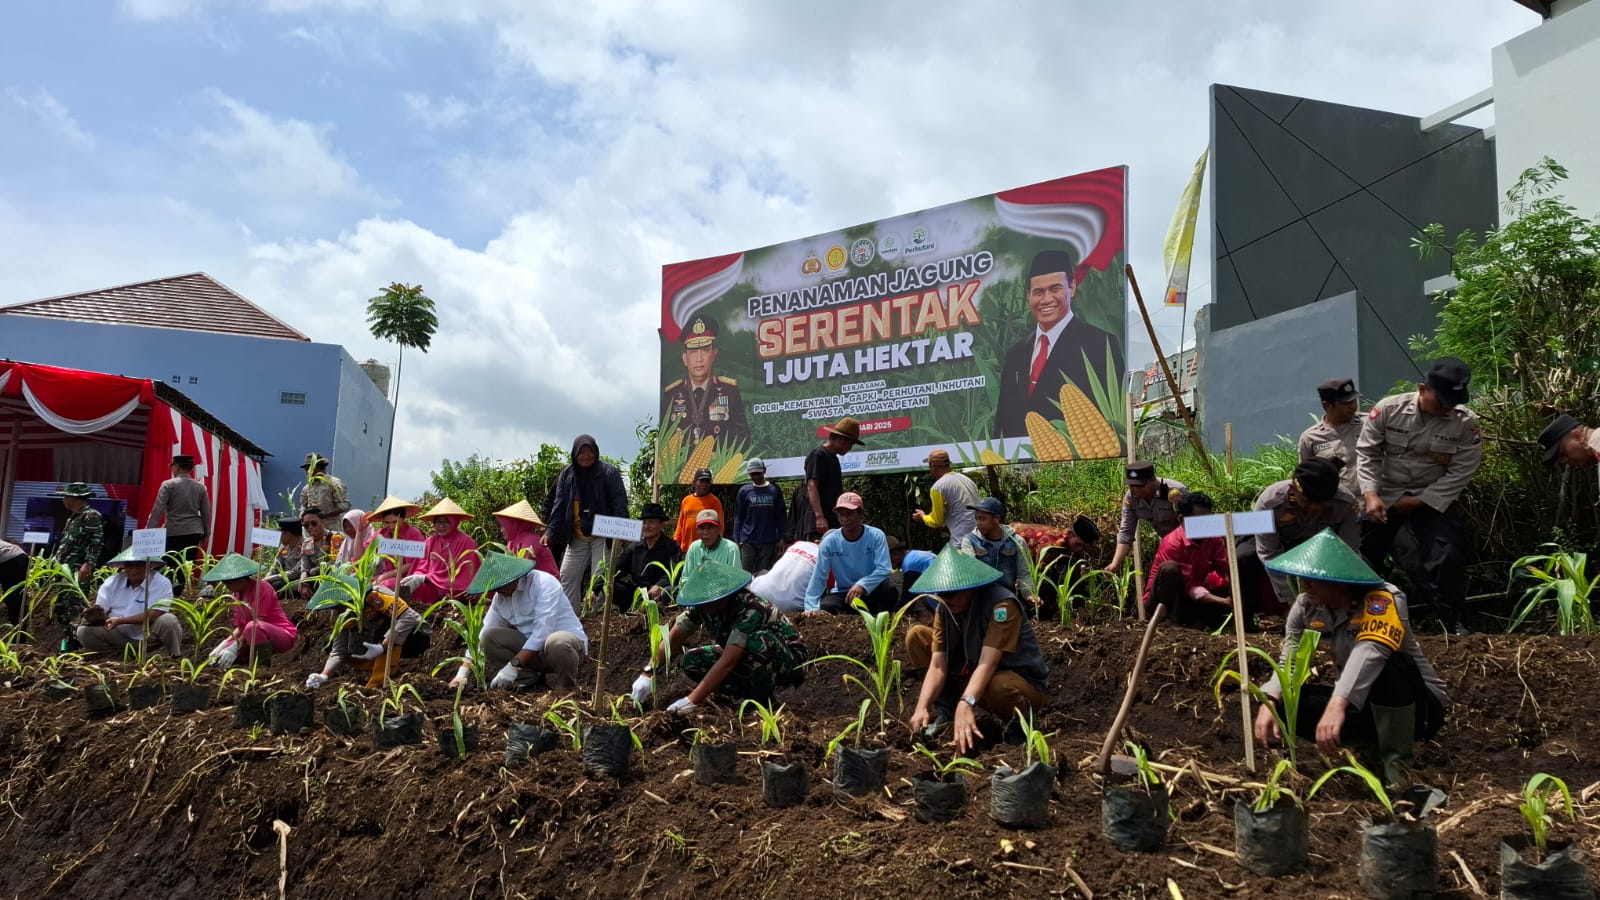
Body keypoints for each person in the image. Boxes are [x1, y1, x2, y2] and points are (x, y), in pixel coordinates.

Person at [1254, 529, 1450, 785]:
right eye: (1302, 578)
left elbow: (1372, 649)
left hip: (1417, 708)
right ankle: (1368, 750)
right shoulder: (1305, 607)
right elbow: (1290, 660)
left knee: (1390, 667)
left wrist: (1338, 702)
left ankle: (1399, 770)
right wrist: (1270, 699)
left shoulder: (1384, 599)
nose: (1305, 585)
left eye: (1313, 578)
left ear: (1341, 579)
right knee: (1289, 702)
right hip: (1362, 704)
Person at [1356, 358, 1482, 635]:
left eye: (1453, 400)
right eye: (1442, 400)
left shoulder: (1466, 423)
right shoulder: (1389, 409)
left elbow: (1462, 470)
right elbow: (1368, 453)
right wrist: (1371, 494)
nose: (1447, 406)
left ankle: (1447, 624)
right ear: (1422, 388)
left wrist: (1421, 501)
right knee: (1363, 553)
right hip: (1385, 495)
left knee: (1446, 556)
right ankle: (1359, 617)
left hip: (1432, 497)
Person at [905, 548, 1050, 754]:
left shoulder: (1002, 605)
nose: (945, 598)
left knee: (999, 685)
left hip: (1019, 685)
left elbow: (987, 662)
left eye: (951, 593)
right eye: (940, 594)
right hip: (974, 676)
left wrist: (967, 702)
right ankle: (947, 712)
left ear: (969, 586)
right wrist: (922, 706)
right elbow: (938, 665)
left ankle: (1019, 728)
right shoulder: (945, 609)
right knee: (917, 636)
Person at [631, 559, 806, 711]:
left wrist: (691, 701)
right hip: (746, 656)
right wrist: (648, 673)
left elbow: (728, 661)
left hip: (788, 660)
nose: (706, 606)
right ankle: (745, 695)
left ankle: (761, 703)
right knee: (692, 660)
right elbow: (675, 637)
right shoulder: (703, 606)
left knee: (759, 641)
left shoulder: (751, 608)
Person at [995, 249, 1124, 438]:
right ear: (1028, 295)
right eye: (1038, 292)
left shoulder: (1100, 344)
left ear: (1071, 288)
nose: (1046, 299)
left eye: (1055, 289)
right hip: (1020, 459)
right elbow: (1002, 424)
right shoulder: (1016, 354)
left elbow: (1113, 414)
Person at [448, 553, 587, 691]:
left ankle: (564, 687)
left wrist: (513, 665)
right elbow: (483, 632)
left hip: (566, 650)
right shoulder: (500, 598)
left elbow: (542, 631)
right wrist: (462, 673)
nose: (497, 591)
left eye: (500, 585)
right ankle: (527, 679)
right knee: (489, 637)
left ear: (514, 577)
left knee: (557, 642)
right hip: (533, 654)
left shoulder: (543, 583)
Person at [1241, 459, 1360, 614]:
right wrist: (1291, 600)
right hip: (1282, 545)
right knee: (1244, 557)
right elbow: (1269, 553)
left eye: (1323, 503)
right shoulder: (1269, 502)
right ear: (1293, 489)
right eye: (1309, 502)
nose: (1316, 508)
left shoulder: (1347, 504)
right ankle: (1248, 615)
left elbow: (1348, 552)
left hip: (1322, 549)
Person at [545, 434, 628, 614]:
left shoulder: (608, 472)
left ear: (596, 452)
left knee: (599, 579)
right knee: (567, 576)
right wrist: (550, 532)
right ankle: (570, 616)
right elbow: (559, 505)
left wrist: (621, 531)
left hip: (602, 535)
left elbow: (619, 502)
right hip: (576, 536)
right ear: (575, 454)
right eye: (581, 452)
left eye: (589, 451)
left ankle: (594, 619)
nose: (586, 456)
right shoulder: (567, 475)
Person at [305, 574, 421, 688]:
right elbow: (339, 650)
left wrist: (383, 646)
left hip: (409, 637)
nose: (340, 608)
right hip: (370, 639)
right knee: (328, 643)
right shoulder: (339, 613)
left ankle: (381, 679)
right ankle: (375, 665)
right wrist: (324, 675)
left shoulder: (375, 595)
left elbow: (410, 617)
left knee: (403, 632)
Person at [1143, 492, 1237, 630]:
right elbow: (1189, 587)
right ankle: (1171, 621)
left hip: (1193, 597)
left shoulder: (1213, 539)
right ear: (1182, 519)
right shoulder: (1172, 543)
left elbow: (1224, 568)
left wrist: (1235, 590)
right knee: (1170, 569)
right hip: (1164, 600)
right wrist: (1223, 601)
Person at [661, 314, 750, 446]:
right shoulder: (672, 394)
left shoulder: (729, 391)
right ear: (685, 358)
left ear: (714, 354)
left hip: (719, 465)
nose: (699, 359)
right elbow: (664, 438)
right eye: (693, 352)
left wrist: (722, 456)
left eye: (705, 350)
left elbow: (743, 434)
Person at [77, 547, 183, 657]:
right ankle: (113, 657)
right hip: (117, 635)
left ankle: (175, 656)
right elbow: (101, 610)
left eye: (139, 565)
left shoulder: (161, 583)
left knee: (168, 620)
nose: (134, 570)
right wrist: (92, 615)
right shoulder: (112, 583)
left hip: (148, 637)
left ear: (149, 565)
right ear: (123, 566)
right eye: (130, 565)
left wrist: (121, 620)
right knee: (84, 631)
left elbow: (154, 614)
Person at [803, 492, 896, 614]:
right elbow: (819, 576)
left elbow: (884, 569)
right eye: (841, 514)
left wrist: (862, 585)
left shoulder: (876, 535)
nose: (845, 519)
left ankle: (881, 620)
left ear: (860, 514)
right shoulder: (829, 542)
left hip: (870, 590)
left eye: (849, 514)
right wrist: (810, 608)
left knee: (890, 590)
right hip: (844, 592)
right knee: (827, 606)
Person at [200, 553, 298, 667]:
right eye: (224, 583)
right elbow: (241, 627)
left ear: (241, 579)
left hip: (280, 635)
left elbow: (257, 622)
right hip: (251, 636)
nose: (226, 586)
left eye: (229, 583)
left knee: (252, 627)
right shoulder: (236, 594)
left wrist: (235, 647)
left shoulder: (261, 588)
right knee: (223, 654)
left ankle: (263, 666)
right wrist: (224, 644)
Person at [399, 498, 483, 611]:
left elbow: (463, 575)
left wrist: (427, 578)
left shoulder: (466, 541)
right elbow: (422, 566)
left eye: (446, 522)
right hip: (432, 588)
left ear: (454, 522)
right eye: (438, 522)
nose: (441, 526)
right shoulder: (430, 541)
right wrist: (417, 576)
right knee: (406, 587)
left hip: (455, 591)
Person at [146, 453, 211, 594]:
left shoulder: (168, 485)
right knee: (186, 565)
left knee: (168, 564)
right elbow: (206, 512)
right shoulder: (201, 487)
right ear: (191, 469)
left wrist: (148, 531)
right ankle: (180, 594)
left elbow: (158, 509)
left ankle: (166, 594)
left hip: (173, 531)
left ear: (176, 467)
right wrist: (206, 533)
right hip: (194, 532)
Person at [1104, 462, 1186, 573]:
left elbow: (1193, 526)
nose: (1135, 490)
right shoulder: (1131, 498)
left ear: (1153, 479)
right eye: (1131, 485)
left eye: (1140, 485)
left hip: (1189, 544)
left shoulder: (1174, 491)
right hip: (1169, 546)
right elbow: (1126, 533)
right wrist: (1115, 564)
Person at [960, 497, 1039, 612]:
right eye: (976, 518)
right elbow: (970, 571)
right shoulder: (969, 541)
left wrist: (1029, 595)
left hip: (1007, 597)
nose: (978, 523)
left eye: (982, 519)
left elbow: (1024, 573)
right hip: (980, 599)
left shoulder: (1016, 541)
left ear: (996, 519)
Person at [788, 417, 861, 541]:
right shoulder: (818, 455)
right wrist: (819, 516)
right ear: (841, 440)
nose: (850, 448)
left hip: (832, 518)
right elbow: (812, 486)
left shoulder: (834, 458)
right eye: (850, 444)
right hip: (819, 522)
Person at [52, 482, 103, 644]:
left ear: (75, 498)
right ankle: (67, 643)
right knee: (61, 609)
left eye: (66, 496)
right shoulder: (72, 518)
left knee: (75, 607)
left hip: (76, 571)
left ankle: (79, 642)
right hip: (64, 571)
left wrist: (88, 564)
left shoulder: (91, 515)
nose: (63, 500)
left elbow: (96, 542)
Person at [609, 503, 681, 612]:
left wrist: (659, 585)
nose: (646, 526)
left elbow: (673, 572)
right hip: (637, 592)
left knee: (670, 591)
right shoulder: (635, 547)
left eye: (651, 522)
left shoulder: (672, 547)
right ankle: (626, 612)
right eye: (644, 522)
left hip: (659, 594)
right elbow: (617, 568)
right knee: (610, 585)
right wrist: (595, 589)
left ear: (662, 525)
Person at [1299, 377, 1362, 497]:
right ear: (1326, 405)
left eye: (1354, 400)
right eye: (1345, 403)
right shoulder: (1311, 438)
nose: (1352, 406)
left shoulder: (1370, 425)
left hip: (1374, 504)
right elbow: (1307, 477)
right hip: (1336, 506)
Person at [913, 449, 979, 548]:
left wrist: (922, 516)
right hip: (980, 536)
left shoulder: (938, 487)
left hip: (962, 540)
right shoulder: (967, 480)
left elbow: (936, 521)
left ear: (933, 466)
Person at [734, 458, 786, 573]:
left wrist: (782, 538)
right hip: (748, 541)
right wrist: (737, 539)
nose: (756, 477)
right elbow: (739, 516)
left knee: (763, 574)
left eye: (758, 473)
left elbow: (781, 516)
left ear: (764, 471)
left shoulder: (774, 490)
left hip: (768, 541)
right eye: (753, 474)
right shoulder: (744, 491)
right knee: (745, 574)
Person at [493, 499, 559, 579]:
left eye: (504, 526)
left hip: (547, 587)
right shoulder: (512, 543)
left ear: (514, 525)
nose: (501, 530)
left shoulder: (530, 541)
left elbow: (519, 572)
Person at [749, 540, 819, 614]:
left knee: (764, 572)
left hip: (758, 592)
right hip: (789, 607)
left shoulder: (799, 543)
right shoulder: (828, 557)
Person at [682, 510, 741, 596]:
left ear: (719, 529)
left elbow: (736, 581)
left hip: (724, 597)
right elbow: (685, 579)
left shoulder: (731, 549)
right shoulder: (693, 548)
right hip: (698, 597)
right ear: (697, 530)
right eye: (702, 528)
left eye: (710, 527)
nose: (706, 532)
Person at [368, 495, 426, 581]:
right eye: (386, 522)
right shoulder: (381, 534)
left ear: (403, 519)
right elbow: (363, 554)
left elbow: (412, 564)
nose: (391, 526)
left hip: (407, 580)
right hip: (384, 577)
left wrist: (385, 576)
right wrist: (360, 532)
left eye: (395, 522)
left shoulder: (414, 534)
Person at [674, 468, 725, 552]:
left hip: (705, 549)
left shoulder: (715, 501)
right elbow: (680, 524)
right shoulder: (686, 500)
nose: (704, 484)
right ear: (694, 482)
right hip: (686, 549)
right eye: (701, 481)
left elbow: (720, 526)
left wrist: (716, 547)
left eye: (707, 482)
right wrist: (676, 541)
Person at [299, 453, 350, 520]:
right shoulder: (306, 488)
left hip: (331, 526)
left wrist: (324, 515)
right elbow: (304, 506)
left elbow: (344, 505)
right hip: (311, 528)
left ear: (318, 467)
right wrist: (302, 514)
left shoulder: (335, 484)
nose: (307, 473)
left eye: (309, 470)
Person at [264, 517, 307, 597]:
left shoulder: (305, 546)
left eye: (281, 533)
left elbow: (295, 573)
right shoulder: (284, 546)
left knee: (277, 586)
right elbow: (276, 565)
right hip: (283, 578)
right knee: (268, 586)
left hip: (297, 580)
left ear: (288, 534)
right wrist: (266, 578)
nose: (279, 537)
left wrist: (269, 579)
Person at [889, 537, 936, 608]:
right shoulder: (913, 555)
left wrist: (893, 615)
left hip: (940, 598)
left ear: (895, 554)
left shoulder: (909, 566)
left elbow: (907, 598)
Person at [0, 538, 26, 625]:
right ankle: (17, 630)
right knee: (14, 598)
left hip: (12, 560)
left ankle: (17, 630)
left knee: (13, 598)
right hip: (18, 557)